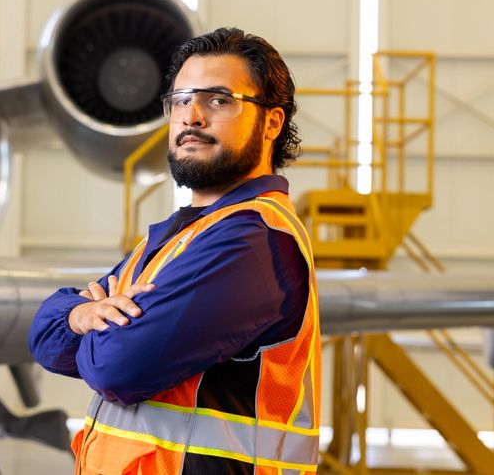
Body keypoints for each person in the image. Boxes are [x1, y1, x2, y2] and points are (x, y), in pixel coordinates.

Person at [29, 27, 320, 475]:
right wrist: (76, 315)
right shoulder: (172, 239)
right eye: (180, 100)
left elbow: (117, 367)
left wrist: (92, 327)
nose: (192, 116)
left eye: (219, 100)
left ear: (272, 123)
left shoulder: (256, 240)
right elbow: (44, 337)